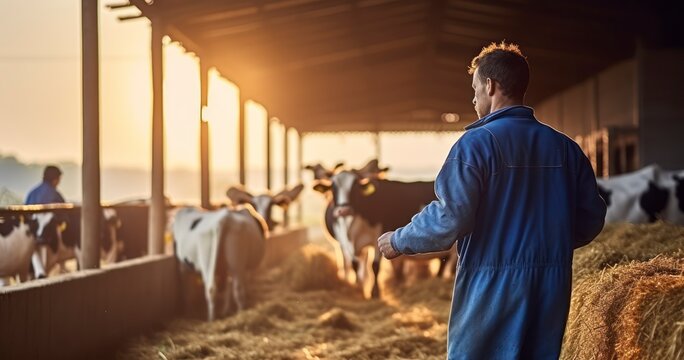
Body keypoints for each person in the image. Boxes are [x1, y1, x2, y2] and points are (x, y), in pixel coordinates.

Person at [377, 42, 607, 359]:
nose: (473, 98)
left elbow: (449, 218)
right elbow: (591, 218)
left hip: (491, 280)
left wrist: (398, 240)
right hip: (551, 282)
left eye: (475, 88)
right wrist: (548, 245)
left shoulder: (475, 145)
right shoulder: (566, 148)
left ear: (490, 85)